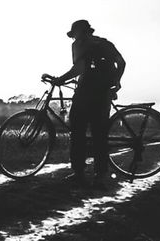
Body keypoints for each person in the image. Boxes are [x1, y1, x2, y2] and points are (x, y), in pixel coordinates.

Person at [43, 19, 125, 189]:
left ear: (79, 33)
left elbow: (79, 68)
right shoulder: (105, 43)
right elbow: (122, 62)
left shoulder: (79, 45)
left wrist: (60, 80)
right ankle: (100, 176)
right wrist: (116, 80)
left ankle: (79, 173)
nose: (74, 39)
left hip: (85, 93)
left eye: (74, 35)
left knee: (77, 133)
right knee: (99, 135)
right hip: (103, 93)